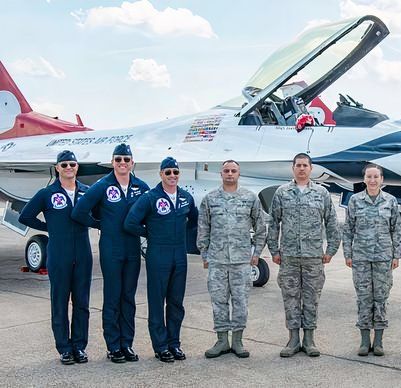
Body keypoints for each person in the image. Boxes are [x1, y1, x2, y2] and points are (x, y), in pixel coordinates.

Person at [72, 143, 149, 363]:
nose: (122, 163)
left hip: (132, 249)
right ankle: (113, 346)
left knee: (129, 297)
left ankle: (127, 343)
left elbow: (148, 214)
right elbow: (79, 211)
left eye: (126, 160)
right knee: (113, 296)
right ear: (112, 162)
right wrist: (100, 224)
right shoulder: (102, 186)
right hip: (111, 249)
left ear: (132, 163)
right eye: (118, 160)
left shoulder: (141, 187)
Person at [19, 150, 93, 365]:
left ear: (77, 167)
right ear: (57, 168)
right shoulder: (47, 194)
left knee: (82, 303)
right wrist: (48, 227)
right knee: (59, 302)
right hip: (59, 254)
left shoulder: (87, 193)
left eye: (72, 164)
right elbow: (26, 215)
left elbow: (99, 215)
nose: (69, 167)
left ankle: (79, 347)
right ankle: (64, 348)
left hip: (83, 254)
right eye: (64, 164)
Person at [124, 157, 198, 362]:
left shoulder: (185, 197)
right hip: (158, 254)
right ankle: (160, 346)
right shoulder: (150, 197)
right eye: (168, 172)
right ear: (161, 174)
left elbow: (194, 220)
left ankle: (174, 344)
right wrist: (150, 233)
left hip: (179, 255)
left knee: (176, 302)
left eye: (175, 172)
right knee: (157, 302)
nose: (172, 176)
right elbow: (130, 222)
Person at [267, 153, 340, 358]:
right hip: (288, 256)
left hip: (313, 256)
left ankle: (309, 339)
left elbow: (332, 223)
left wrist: (331, 250)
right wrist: (274, 250)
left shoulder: (322, 193)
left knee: (311, 298)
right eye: (298, 165)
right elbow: (274, 223)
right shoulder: (282, 193)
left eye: (305, 165)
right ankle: (292, 339)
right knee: (290, 298)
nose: (301, 169)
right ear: (293, 168)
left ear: (310, 168)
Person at [197, 160, 266, 359]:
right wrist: (205, 254)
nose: (229, 174)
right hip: (217, 261)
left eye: (233, 171)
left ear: (238, 174)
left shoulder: (250, 198)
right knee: (219, 302)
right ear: (221, 174)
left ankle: (237, 341)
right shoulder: (210, 199)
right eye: (226, 171)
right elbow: (203, 229)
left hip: (241, 262)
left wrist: (256, 254)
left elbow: (261, 228)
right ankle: (221, 341)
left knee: (240, 302)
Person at [342, 164, 401, 357]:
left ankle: (378, 341)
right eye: (369, 177)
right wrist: (348, 254)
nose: (372, 180)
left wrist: (396, 255)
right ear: (365, 179)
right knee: (363, 298)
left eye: (376, 176)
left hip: (383, 258)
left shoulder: (391, 201)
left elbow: (397, 230)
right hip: (360, 257)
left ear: (382, 179)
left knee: (381, 299)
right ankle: (364, 341)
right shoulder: (355, 200)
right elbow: (348, 229)